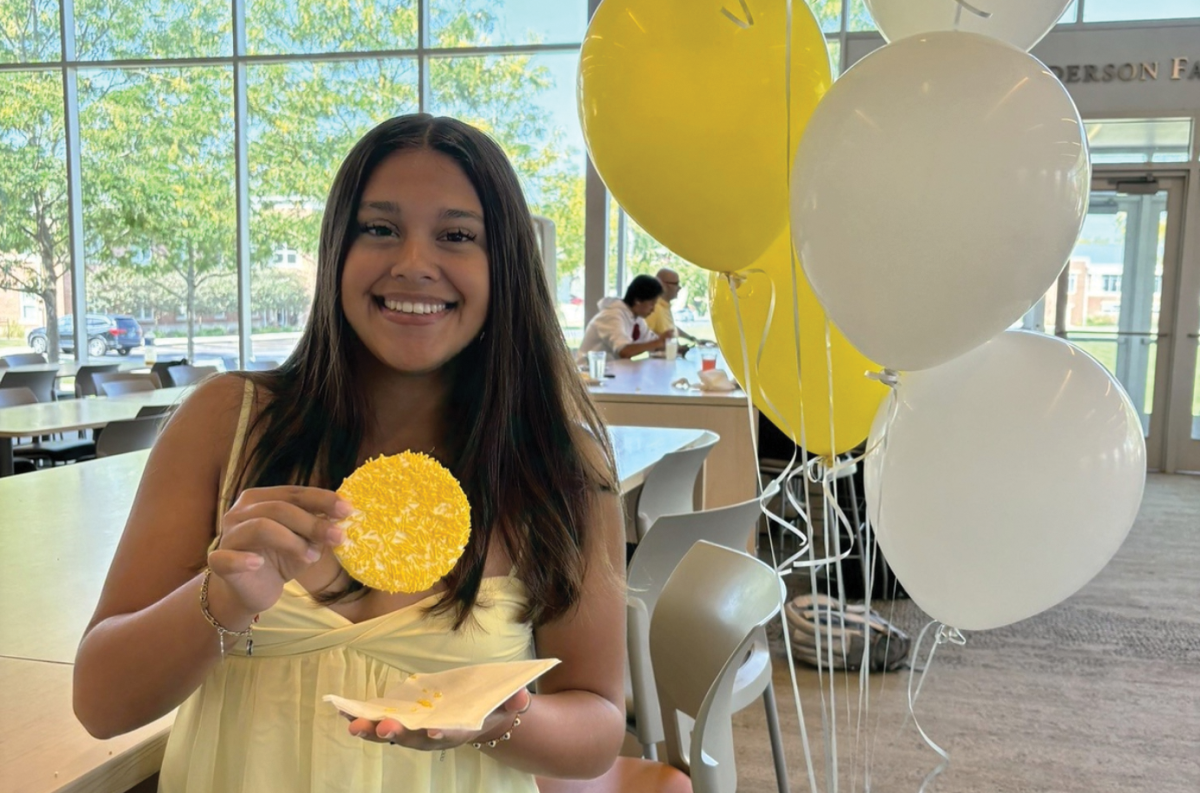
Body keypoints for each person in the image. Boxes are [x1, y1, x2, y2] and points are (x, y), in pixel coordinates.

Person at [73, 114, 689, 793]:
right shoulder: (229, 422)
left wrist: (494, 720)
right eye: (380, 228)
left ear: (505, 264)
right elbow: (101, 704)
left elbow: (598, 725)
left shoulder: (557, 465)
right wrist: (217, 599)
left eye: (457, 235)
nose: (413, 263)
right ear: (338, 247)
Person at [575, 275, 672, 364]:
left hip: (612, 371)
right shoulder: (612, 316)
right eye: (652, 303)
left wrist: (674, 346)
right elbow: (624, 351)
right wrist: (658, 342)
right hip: (590, 374)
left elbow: (652, 343)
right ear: (637, 300)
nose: (653, 309)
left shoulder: (636, 318)